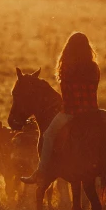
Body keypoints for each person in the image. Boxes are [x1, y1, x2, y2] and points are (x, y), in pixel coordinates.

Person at [20, 32, 100, 185]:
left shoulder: (67, 67)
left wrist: (65, 107)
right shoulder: (94, 67)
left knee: (48, 135)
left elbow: (67, 94)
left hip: (72, 112)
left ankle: (41, 172)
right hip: (93, 112)